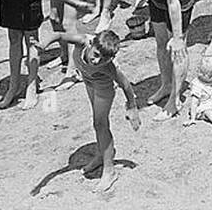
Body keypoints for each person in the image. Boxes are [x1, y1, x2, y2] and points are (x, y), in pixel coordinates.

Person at [37, 25, 139, 192]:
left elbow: (125, 85)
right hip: (88, 81)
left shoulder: (109, 67)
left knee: (101, 124)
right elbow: (59, 35)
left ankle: (109, 170)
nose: (97, 61)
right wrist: (43, 45)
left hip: (103, 88)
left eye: (104, 59)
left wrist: (132, 106)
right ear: (91, 45)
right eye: (97, 55)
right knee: (96, 123)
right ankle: (101, 154)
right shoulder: (82, 41)